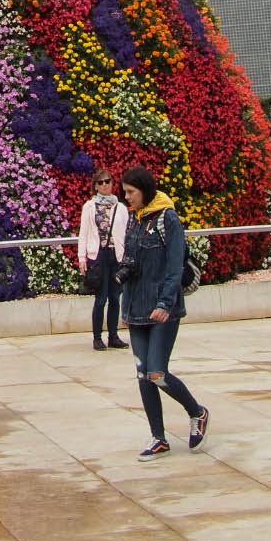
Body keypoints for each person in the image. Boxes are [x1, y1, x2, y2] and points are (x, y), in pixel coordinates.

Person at [119, 165, 208, 461]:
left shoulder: (166, 218)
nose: (127, 197)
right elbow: (131, 262)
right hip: (136, 309)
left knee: (157, 372)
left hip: (162, 310)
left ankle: (197, 412)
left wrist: (165, 304)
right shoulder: (134, 218)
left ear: (144, 189)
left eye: (131, 192)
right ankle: (159, 438)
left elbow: (174, 267)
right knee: (143, 375)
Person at [77, 169, 128, 350]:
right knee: (101, 297)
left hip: (117, 255)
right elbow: (83, 233)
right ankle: (97, 337)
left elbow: (126, 233)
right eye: (101, 182)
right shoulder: (89, 207)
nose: (105, 185)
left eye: (108, 181)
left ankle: (113, 336)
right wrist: (82, 257)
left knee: (115, 297)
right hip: (98, 255)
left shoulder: (120, 207)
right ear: (96, 186)